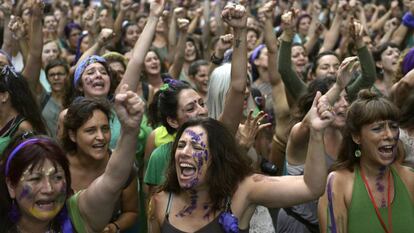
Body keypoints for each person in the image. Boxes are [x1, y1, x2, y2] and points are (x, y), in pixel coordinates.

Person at [148, 88, 332, 232]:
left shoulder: (242, 190)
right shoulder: (161, 202)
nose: (184, 153)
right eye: (181, 146)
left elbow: (312, 188)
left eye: (196, 147)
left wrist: (316, 133)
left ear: (216, 157)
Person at [0, 85, 145, 233]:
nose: (49, 189)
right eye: (36, 179)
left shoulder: (77, 216)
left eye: (57, 177)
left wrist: (129, 130)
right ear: (11, 186)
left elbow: (113, 179)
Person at [318, 90, 414, 233]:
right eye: (377, 128)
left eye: (393, 127)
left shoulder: (409, 178)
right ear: (357, 137)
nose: (390, 135)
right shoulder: (338, 184)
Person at [61, 97, 139, 232]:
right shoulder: (57, 168)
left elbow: (131, 212)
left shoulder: (123, 168)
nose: (101, 137)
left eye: (105, 129)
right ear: (73, 135)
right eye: (90, 130)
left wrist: (115, 227)